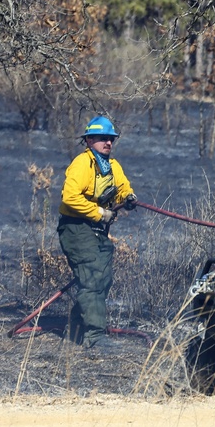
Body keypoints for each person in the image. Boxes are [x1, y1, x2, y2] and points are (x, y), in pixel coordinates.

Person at [57, 116, 138, 348]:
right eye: (103, 138)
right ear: (89, 140)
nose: (108, 143)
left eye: (111, 139)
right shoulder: (82, 164)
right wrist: (100, 214)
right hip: (75, 227)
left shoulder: (112, 166)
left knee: (103, 278)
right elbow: (69, 197)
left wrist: (129, 198)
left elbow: (123, 188)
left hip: (96, 231)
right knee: (92, 278)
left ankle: (76, 328)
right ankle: (94, 336)